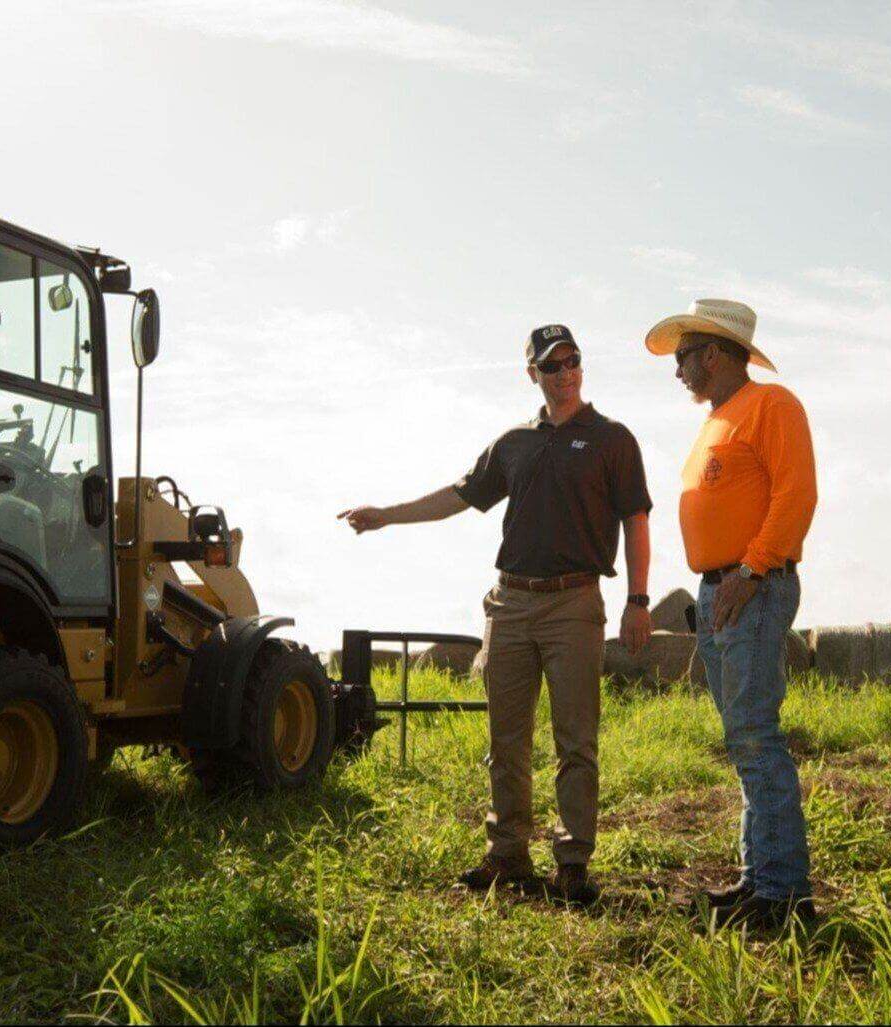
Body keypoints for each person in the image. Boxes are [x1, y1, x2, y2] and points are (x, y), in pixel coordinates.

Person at [339, 325, 652, 906]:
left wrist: (639, 601)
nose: (565, 373)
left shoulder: (613, 440)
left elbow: (636, 520)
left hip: (575, 604)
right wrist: (386, 515)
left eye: (573, 362)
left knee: (575, 740)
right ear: (531, 373)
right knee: (505, 739)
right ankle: (507, 853)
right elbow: (459, 496)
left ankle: (572, 862)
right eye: (552, 366)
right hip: (510, 605)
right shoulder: (514, 443)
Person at [643, 298, 818, 929]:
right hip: (721, 592)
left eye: (684, 357)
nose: (679, 371)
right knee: (743, 739)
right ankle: (760, 879)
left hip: (752, 587)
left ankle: (783, 894)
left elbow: (797, 493)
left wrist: (752, 567)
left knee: (756, 736)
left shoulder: (772, 405)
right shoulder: (721, 417)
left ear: (713, 354)